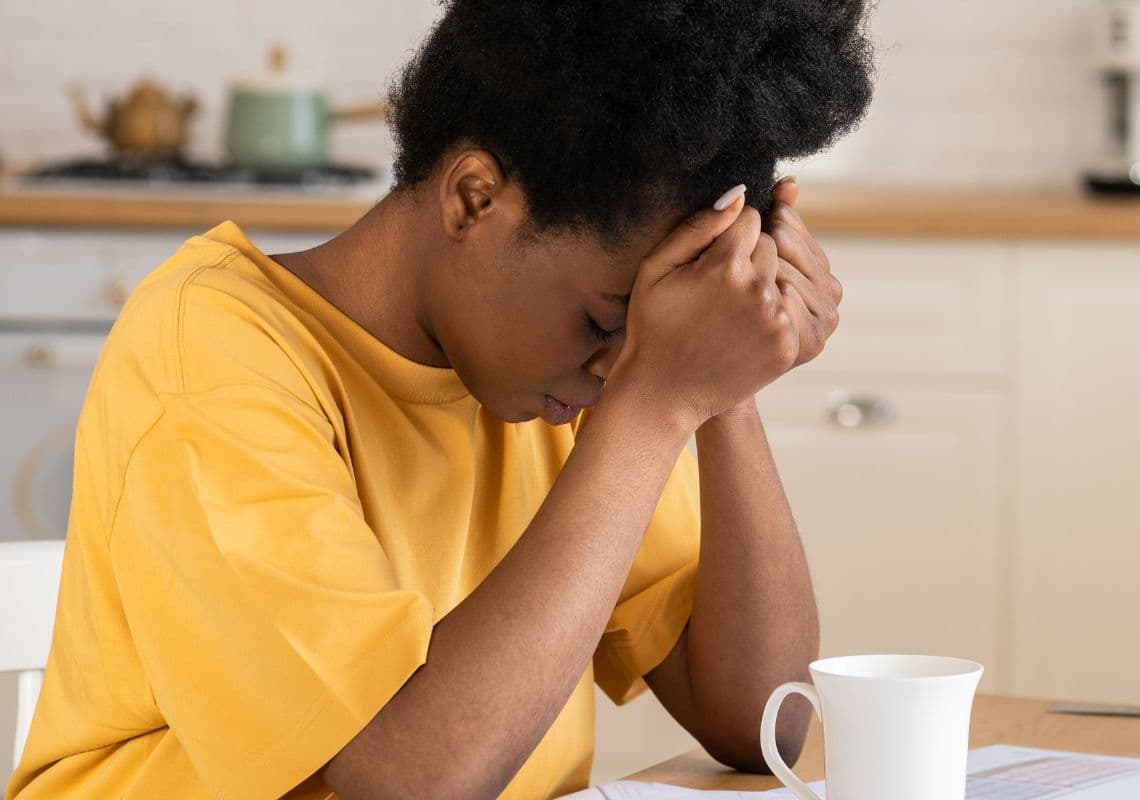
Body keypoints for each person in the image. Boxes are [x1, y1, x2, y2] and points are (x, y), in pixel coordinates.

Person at [5, 2, 873, 799]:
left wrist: (723, 379)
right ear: (475, 198)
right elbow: (409, 782)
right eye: (606, 319)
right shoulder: (213, 348)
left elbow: (766, 722)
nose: (619, 369)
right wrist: (657, 401)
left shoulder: (577, 382)